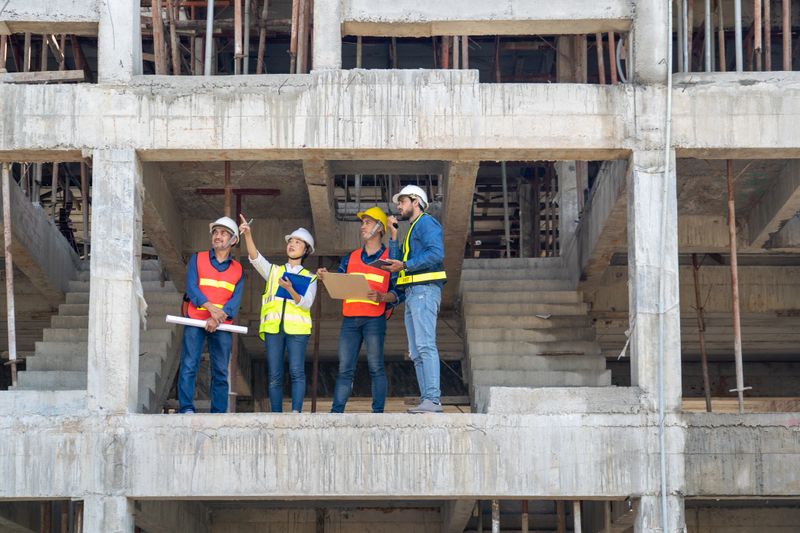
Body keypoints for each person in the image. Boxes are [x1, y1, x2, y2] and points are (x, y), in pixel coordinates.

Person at [317, 207, 400, 413]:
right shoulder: (350, 257)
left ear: (380, 228)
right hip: (350, 320)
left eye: (368, 222)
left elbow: (399, 292)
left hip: (374, 319)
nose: (363, 226)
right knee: (345, 370)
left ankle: (378, 413)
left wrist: (382, 297)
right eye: (362, 223)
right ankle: (336, 413)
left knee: (376, 368)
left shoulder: (391, 258)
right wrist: (326, 277)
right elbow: (339, 282)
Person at [239, 215, 317, 413]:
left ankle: (296, 412)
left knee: (297, 372)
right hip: (274, 328)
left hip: (297, 330)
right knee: (275, 374)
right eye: (290, 241)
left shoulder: (310, 277)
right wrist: (248, 234)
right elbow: (255, 258)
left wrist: (291, 290)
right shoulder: (274, 271)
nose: (292, 244)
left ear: (306, 249)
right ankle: (276, 414)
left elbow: (306, 303)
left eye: (298, 242)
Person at [382, 185, 447, 414]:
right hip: (413, 293)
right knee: (416, 350)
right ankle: (427, 399)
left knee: (425, 345)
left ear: (415, 201)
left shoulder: (426, 223)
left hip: (424, 291)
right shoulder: (411, 229)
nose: (399, 206)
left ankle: (433, 399)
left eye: (402, 201)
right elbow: (395, 263)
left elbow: (436, 254)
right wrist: (393, 235)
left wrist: (407, 265)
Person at [178, 216, 244, 414]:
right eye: (215, 232)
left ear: (233, 240)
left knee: (221, 371)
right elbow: (191, 288)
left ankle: (218, 413)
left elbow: (234, 301)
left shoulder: (238, 269)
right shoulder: (197, 258)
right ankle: (186, 408)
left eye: (223, 233)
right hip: (195, 319)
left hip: (222, 324)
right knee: (189, 365)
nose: (218, 236)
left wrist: (216, 317)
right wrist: (210, 309)